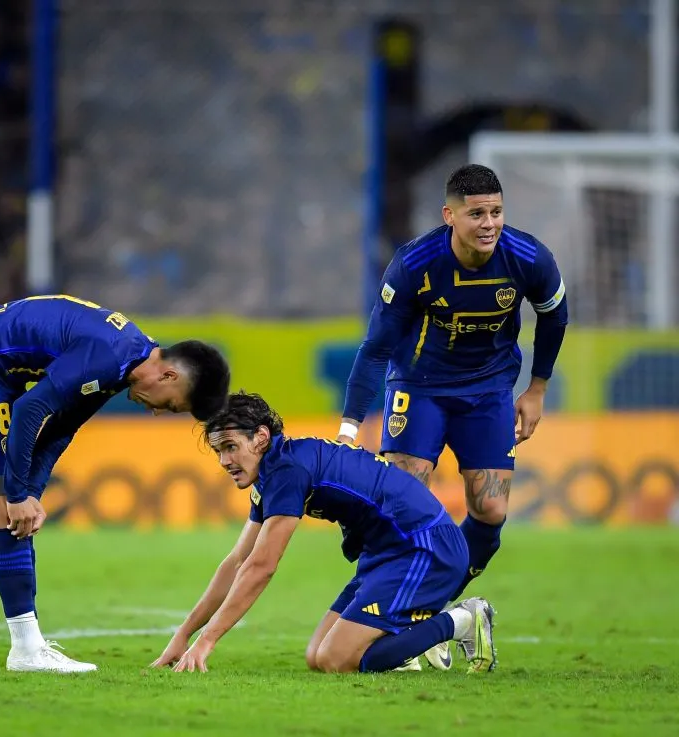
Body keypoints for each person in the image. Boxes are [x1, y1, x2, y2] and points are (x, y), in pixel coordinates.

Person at [337, 164, 567, 669]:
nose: (489, 223)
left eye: (497, 212)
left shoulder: (529, 258)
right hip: (419, 388)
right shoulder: (415, 264)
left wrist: (537, 389)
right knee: (401, 506)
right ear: (450, 216)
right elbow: (376, 348)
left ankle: (426, 615)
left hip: (488, 391)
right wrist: (350, 426)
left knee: (491, 513)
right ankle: (377, 620)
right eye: (476, 213)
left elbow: (555, 316)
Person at [0, 294, 230, 673]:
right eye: (169, 405)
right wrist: (19, 494)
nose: (155, 412)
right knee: (5, 509)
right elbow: (29, 410)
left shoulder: (123, 362)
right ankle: (25, 649)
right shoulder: (110, 356)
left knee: (13, 509)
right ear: (169, 376)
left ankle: (29, 645)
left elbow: (60, 430)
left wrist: (33, 491)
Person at [151, 392, 496, 675]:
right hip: (386, 554)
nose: (224, 461)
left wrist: (207, 641)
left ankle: (463, 620)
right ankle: (400, 646)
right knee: (318, 657)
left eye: (230, 447)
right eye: (218, 451)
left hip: (424, 547)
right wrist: (183, 636)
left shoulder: (287, 471)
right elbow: (237, 562)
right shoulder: (274, 470)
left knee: (337, 658)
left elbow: (261, 567)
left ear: (260, 438)